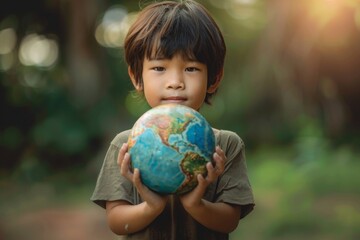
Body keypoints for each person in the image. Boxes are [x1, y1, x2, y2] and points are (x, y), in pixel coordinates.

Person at [91, 1, 255, 239]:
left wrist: (196, 204)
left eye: (191, 69)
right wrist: (151, 207)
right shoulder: (125, 146)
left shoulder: (226, 145)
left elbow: (229, 220)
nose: (175, 81)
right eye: (159, 68)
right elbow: (116, 221)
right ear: (137, 77)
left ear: (214, 77)